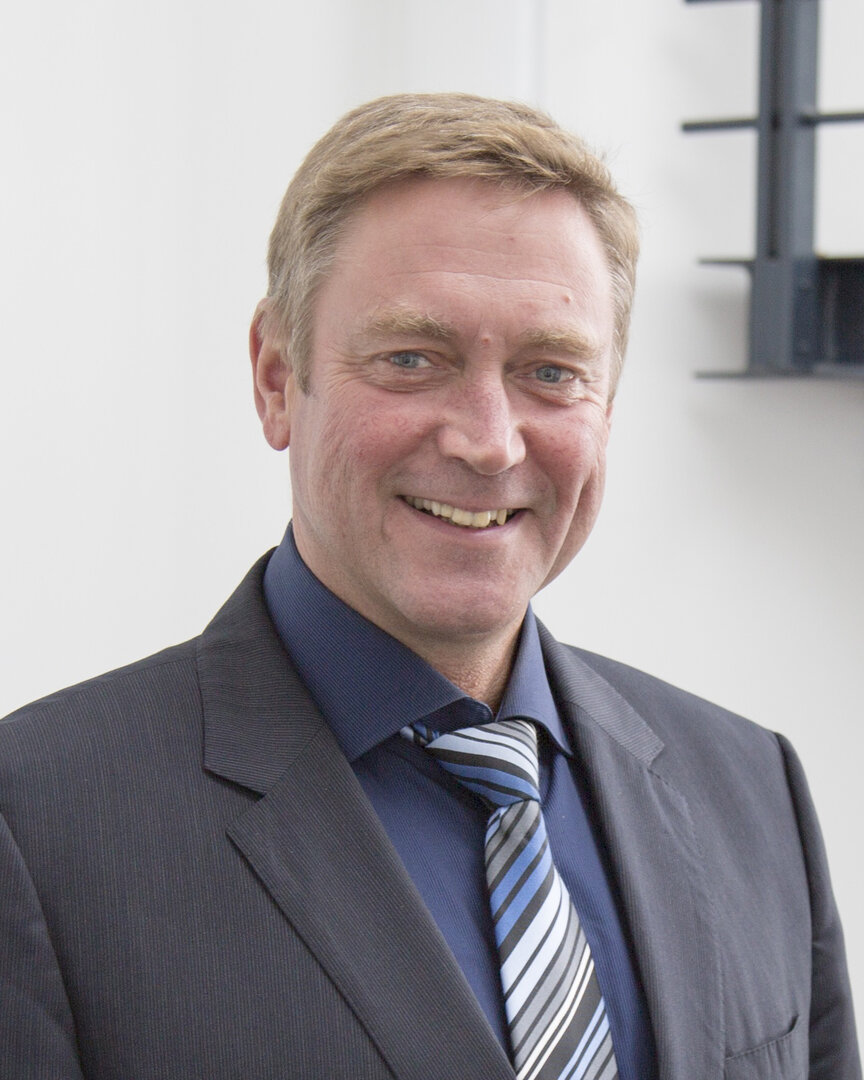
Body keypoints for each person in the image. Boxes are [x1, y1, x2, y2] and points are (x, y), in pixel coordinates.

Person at [0, 93, 858, 1080]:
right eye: (413, 359)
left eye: (552, 371)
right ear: (277, 379)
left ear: (608, 406)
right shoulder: (41, 827)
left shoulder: (752, 793)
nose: (489, 442)